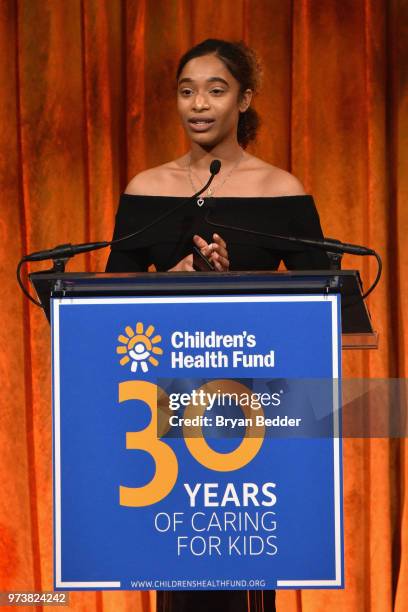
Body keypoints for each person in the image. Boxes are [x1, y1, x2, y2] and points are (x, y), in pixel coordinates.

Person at [107, 38, 329, 612]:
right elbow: (109, 307)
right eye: (186, 91)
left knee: (246, 570)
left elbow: (324, 311)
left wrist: (242, 285)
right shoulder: (144, 190)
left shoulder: (282, 191)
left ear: (245, 100)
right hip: (165, 407)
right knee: (178, 562)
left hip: (257, 409)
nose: (198, 104)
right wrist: (169, 280)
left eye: (215, 89)